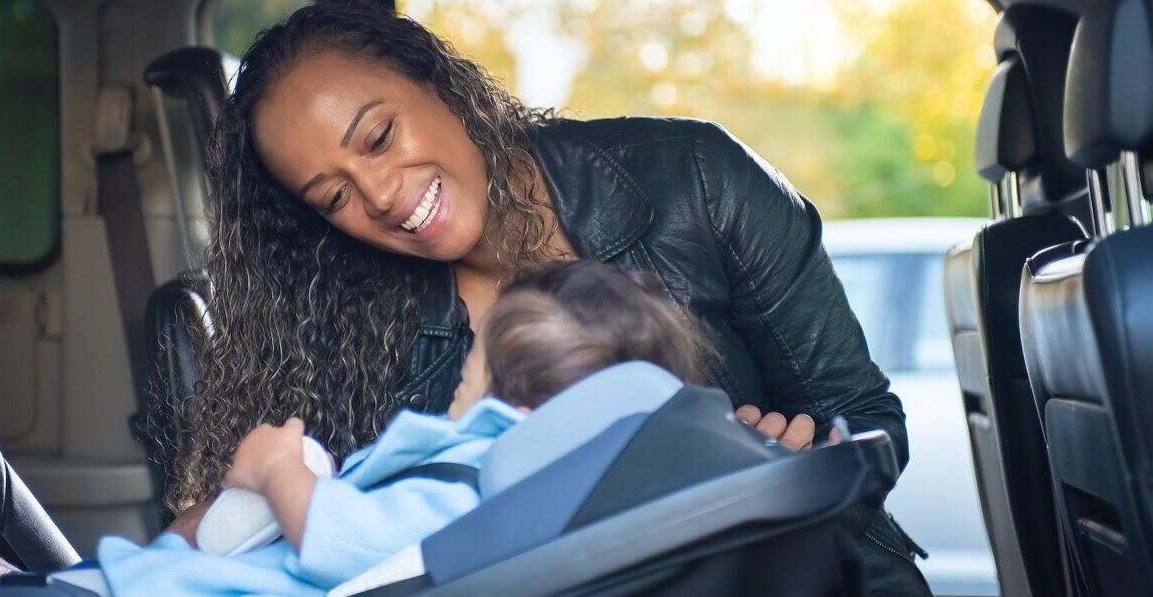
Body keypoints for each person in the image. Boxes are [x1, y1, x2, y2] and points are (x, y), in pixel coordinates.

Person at [150, 1, 929, 594]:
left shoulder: (697, 178)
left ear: (436, 81)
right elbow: (295, 515)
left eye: (379, 138)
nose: (381, 196)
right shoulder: (356, 323)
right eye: (333, 196)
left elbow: (866, 419)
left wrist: (790, 449)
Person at [0, 260, 718, 596]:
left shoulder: (480, 490)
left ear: (517, 394)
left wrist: (276, 471)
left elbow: (341, 537)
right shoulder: (523, 489)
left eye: (478, 359)